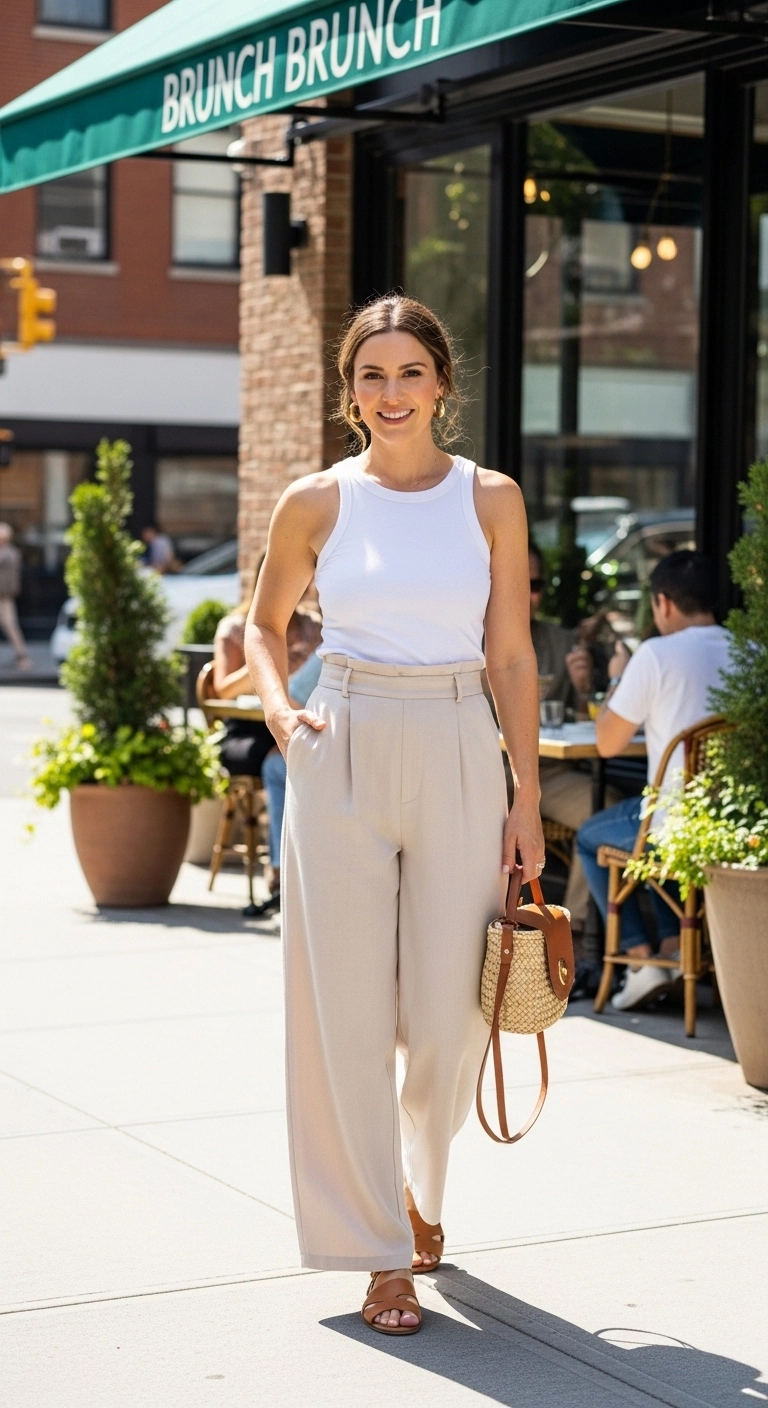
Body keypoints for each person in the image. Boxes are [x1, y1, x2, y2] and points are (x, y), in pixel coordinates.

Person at [245, 294, 543, 1336]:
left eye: (409, 371)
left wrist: (527, 796)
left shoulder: (491, 498)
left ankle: (423, 1193)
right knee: (349, 1014)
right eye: (370, 375)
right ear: (349, 391)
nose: (390, 392)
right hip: (347, 741)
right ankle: (378, 1252)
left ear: (443, 384)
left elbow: (510, 651)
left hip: (464, 739)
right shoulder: (316, 502)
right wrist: (283, 715)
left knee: (452, 1019)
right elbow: (264, 622)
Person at [576, 551, 731, 1010]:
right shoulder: (752, 651)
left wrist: (619, 679)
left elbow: (606, 742)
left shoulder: (656, 655)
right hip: (730, 824)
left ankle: (641, 961)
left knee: (592, 837)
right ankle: (670, 950)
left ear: (663, 603)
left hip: (673, 828)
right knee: (646, 825)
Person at [529, 543, 618, 932]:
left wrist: (583, 690)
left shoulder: (562, 643)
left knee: (604, 811)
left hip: (546, 771)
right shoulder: (464, 638)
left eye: (536, 585)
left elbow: (585, 723)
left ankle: (573, 930)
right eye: (519, 582)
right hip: (484, 774)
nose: (528, 594)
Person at [213, 599, 320, 914]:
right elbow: (222, 691)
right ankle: (283, 874)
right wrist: (264, 661)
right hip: (248, 733)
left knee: (294, 759)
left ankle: (293, 871)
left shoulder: (313, 626)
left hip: (295, 723)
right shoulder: (236, 628)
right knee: (284, 763)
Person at [0, 523, 31, 671]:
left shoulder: (11, 553)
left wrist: (11, 591)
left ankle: (22, 657)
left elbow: (13, 577)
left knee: (11, 626)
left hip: (4, 597)